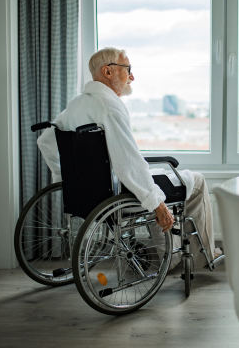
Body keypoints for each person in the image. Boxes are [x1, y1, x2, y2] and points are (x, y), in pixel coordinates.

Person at [37, 47, 221, 269]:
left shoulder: (76, 103)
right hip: (116, 191)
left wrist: (64, 175)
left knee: (151, 183)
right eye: (128, 69)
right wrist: (158, 205)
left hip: (89, 192)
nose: (132, 77)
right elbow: (127, 161)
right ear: (108, 72)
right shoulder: (109, 106)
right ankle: (205, 256)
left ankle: (170, 256)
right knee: (195, 181)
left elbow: (45, 141)